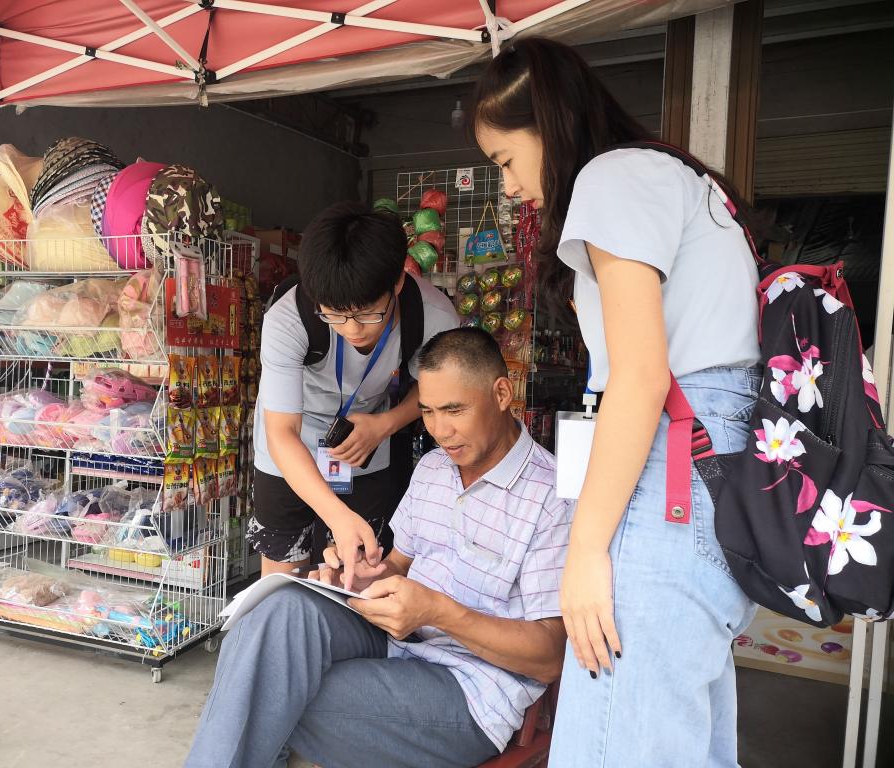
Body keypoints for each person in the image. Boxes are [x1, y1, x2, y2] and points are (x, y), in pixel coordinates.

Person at [470, 39, 763, 768]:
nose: (508, 185)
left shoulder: (613, 177)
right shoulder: (684, 180)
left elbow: (638, 377)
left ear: (549, 125)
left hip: (669, 470)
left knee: (615, 741)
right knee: (679, 739)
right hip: (711, 470)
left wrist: (584, 549)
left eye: (505, 160)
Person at [185, 328, 571, 768]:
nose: (440, 431)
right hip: (398, 641)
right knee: (278, 614)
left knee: (265, 683)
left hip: (470, 689)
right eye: (427, 412)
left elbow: (550, 657)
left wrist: (437, 612)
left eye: (454, 410)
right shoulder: (433, 468)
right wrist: (358, 576)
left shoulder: (550, 498)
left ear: (501, 394)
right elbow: (398, 566)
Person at [249, 201, 458, 586]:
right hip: (291, 447)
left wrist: (385, 425)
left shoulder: (434, 316)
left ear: (397, 283)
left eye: (367, 314)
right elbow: (281, 432)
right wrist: (336, 516)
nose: (352, 329)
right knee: (282, 579)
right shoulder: (288, 319)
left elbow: (438, 391)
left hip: (366, 443)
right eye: (334, 314)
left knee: (359, 575)